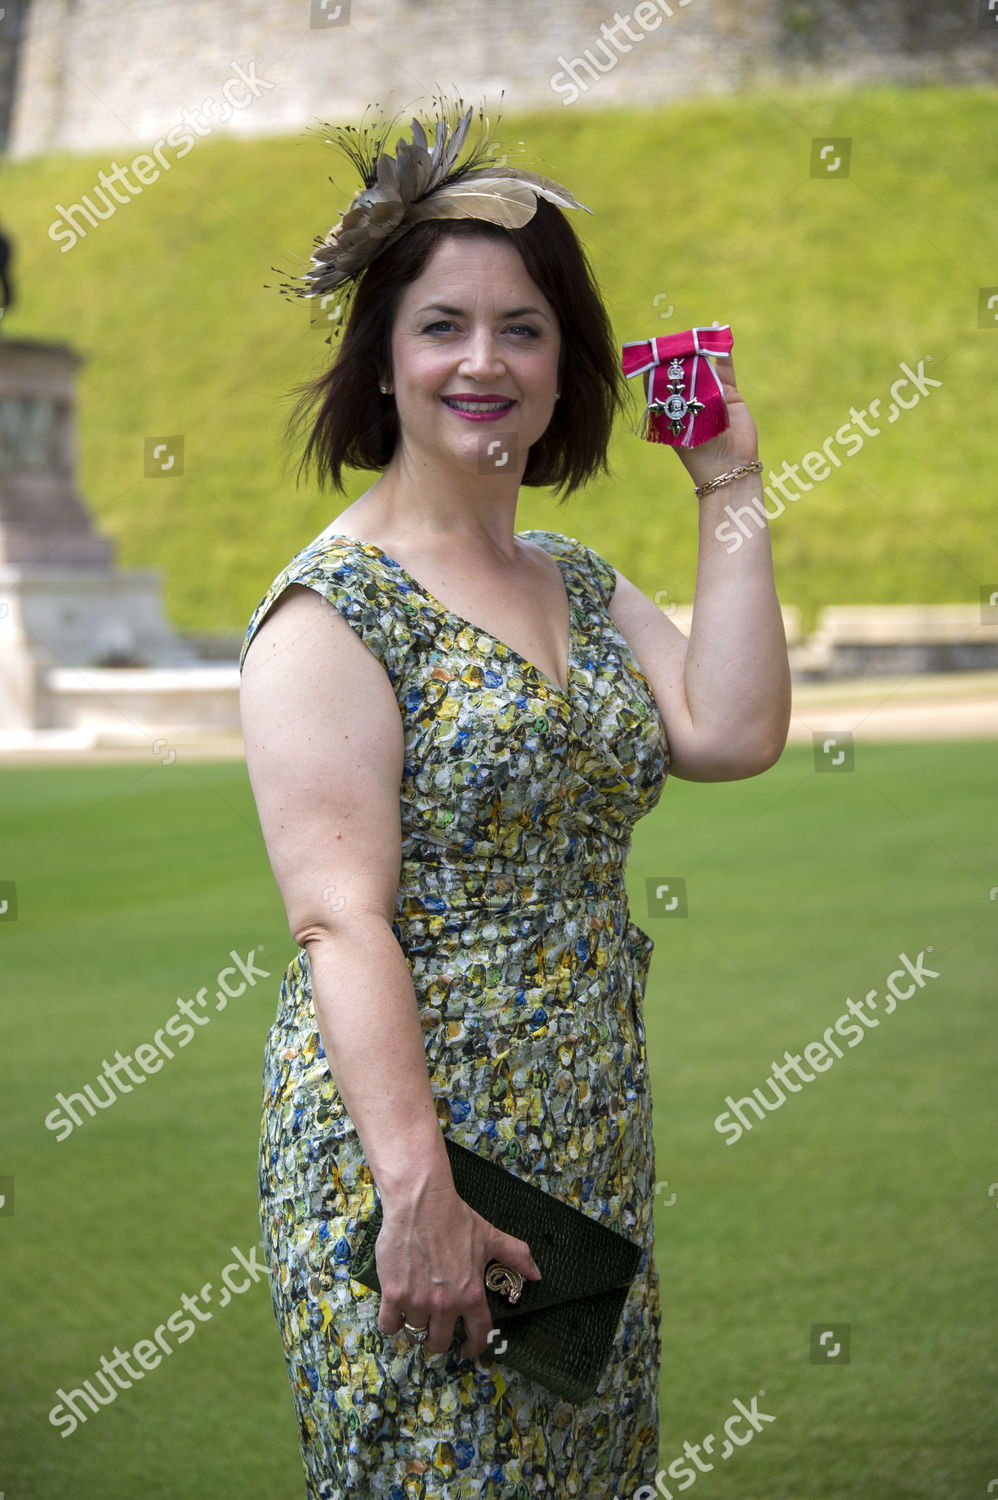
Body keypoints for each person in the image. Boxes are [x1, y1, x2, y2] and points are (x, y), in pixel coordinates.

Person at [238, 96, 791, 1500]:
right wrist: (415, 1196)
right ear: (383, 361)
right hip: (413, 1136)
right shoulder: (334, 608)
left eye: (522, 329)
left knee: (585, 1475)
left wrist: (725, 484)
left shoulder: (576, 578)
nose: (482, 361)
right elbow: (335, 924)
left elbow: (728, 731)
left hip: (586, 1121)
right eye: (441, 325)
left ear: (565, 367)